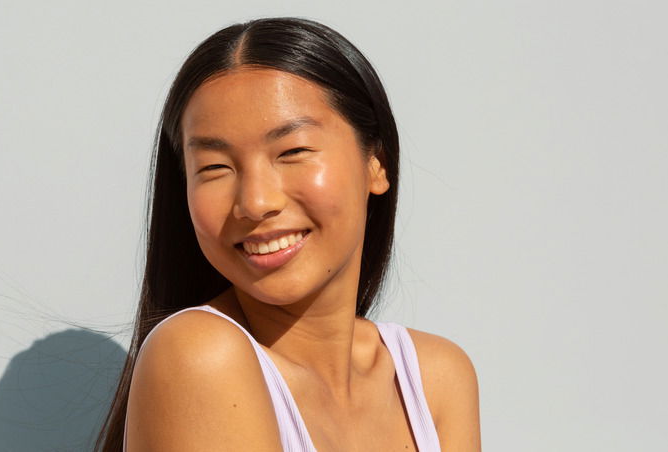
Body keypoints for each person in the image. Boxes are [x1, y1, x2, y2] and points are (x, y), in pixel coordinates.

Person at [95, 17, 480, 452]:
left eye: (293, 151)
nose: (255, 203)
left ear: (376, 162)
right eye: (215, 167)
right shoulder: (199, 356)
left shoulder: (435, 379)